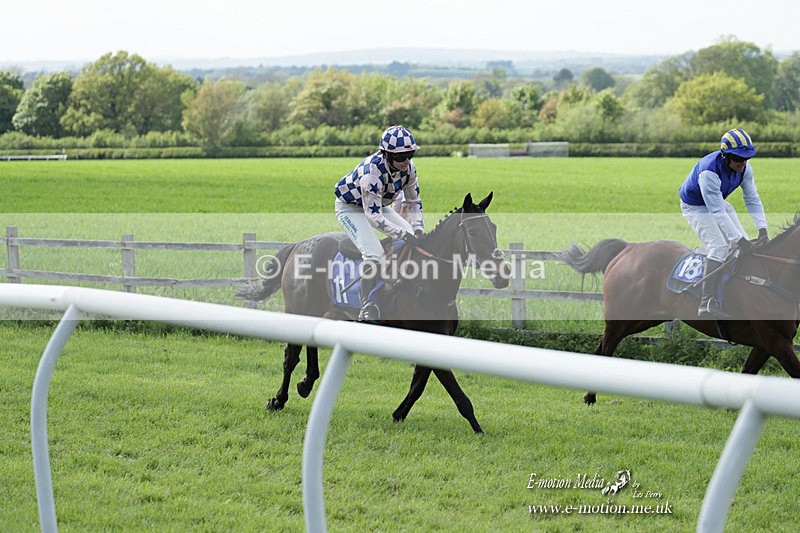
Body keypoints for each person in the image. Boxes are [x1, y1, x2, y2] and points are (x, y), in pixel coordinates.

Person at [334, 125, 424, 322]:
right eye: (401, 157)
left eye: (410, 154)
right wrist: (401, 234)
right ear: (386, 154)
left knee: (410, 235)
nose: (406, 161)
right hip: (351, 208)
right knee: (374, 253)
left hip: (379, 204)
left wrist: (417, 229)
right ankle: (367, 304)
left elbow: (413, 202)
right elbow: (374, 217)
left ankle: (399, 284)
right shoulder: (372, 173)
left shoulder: (409, 169)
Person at [679, 128, 769, 318]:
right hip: (695, 206)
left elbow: (752, 198)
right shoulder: (708, 173)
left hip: (718, 202)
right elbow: (716, 212)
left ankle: (734, 292)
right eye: (738, 159)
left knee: (741, 244)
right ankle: (706, 301)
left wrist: (763, 229)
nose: (742, 163)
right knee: (719, 247)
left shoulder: (745, 169)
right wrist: (740, 240)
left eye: (746, 158)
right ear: (725, 156)